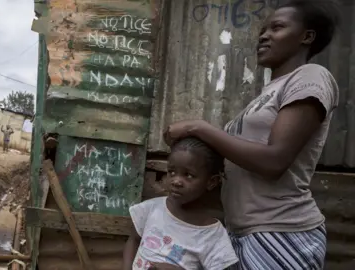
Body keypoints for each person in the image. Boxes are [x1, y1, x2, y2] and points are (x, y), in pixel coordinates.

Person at [164, 1, 340, 269]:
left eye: (277, 28)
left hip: (280, 233)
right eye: (262, 30)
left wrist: (197, 128)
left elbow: (274, 161)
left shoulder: (311, 77)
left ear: (307, 36)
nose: (263, 36)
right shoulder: (265, 95)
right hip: (243, 232)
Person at [123, 137, 238, 270]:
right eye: (172, 172)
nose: (176, 181)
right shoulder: (152, 208)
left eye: (188, 175)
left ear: (211, 182)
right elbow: (133, 240)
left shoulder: (212, 235)